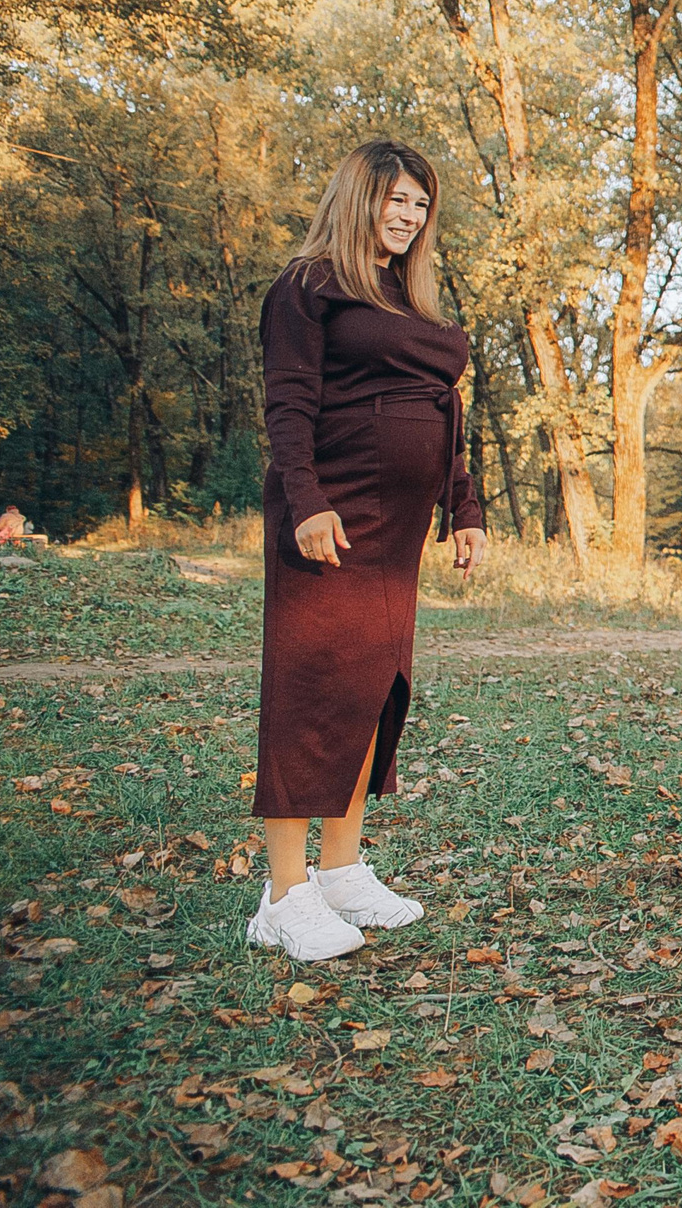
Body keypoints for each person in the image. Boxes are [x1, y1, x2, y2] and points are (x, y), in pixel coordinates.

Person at [246, 140, 486, 963]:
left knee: (372, 690)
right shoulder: (309, 285)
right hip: (332, 519)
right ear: (359, 198)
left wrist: (465, 505)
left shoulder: (407, 302)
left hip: (398, 534)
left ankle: (342, 870)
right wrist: (306, 502)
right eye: (395, 199)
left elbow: (444, 416)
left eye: (420, 204)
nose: (408, 215)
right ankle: (283, 895)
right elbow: (288, 404)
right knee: (309, 689)